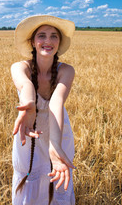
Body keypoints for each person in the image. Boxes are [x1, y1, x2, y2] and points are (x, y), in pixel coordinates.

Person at [11, 15, 76, 205]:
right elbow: (26, 86)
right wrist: (30, 104)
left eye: (54, 36)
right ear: (32, 41)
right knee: (29, 174)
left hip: (58, 130)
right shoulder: (19, 67)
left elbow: (57, 102)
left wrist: (54, 147)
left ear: (59, 42)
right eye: (42, 35)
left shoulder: (67, 71)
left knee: (57, 178)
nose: (48, 41)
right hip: (28, 130)